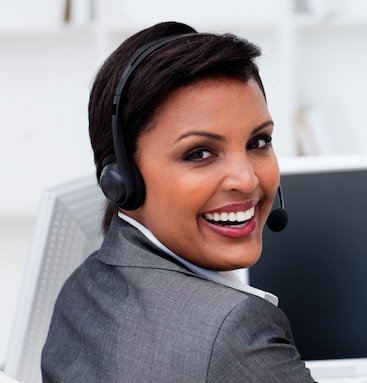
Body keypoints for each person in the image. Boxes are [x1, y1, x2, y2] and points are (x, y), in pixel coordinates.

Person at [41, 21, 315, 382]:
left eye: (258, 142)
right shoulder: (235, 331)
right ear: (122, 180)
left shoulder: (82, 290)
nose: (247, 179)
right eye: (199, 153)